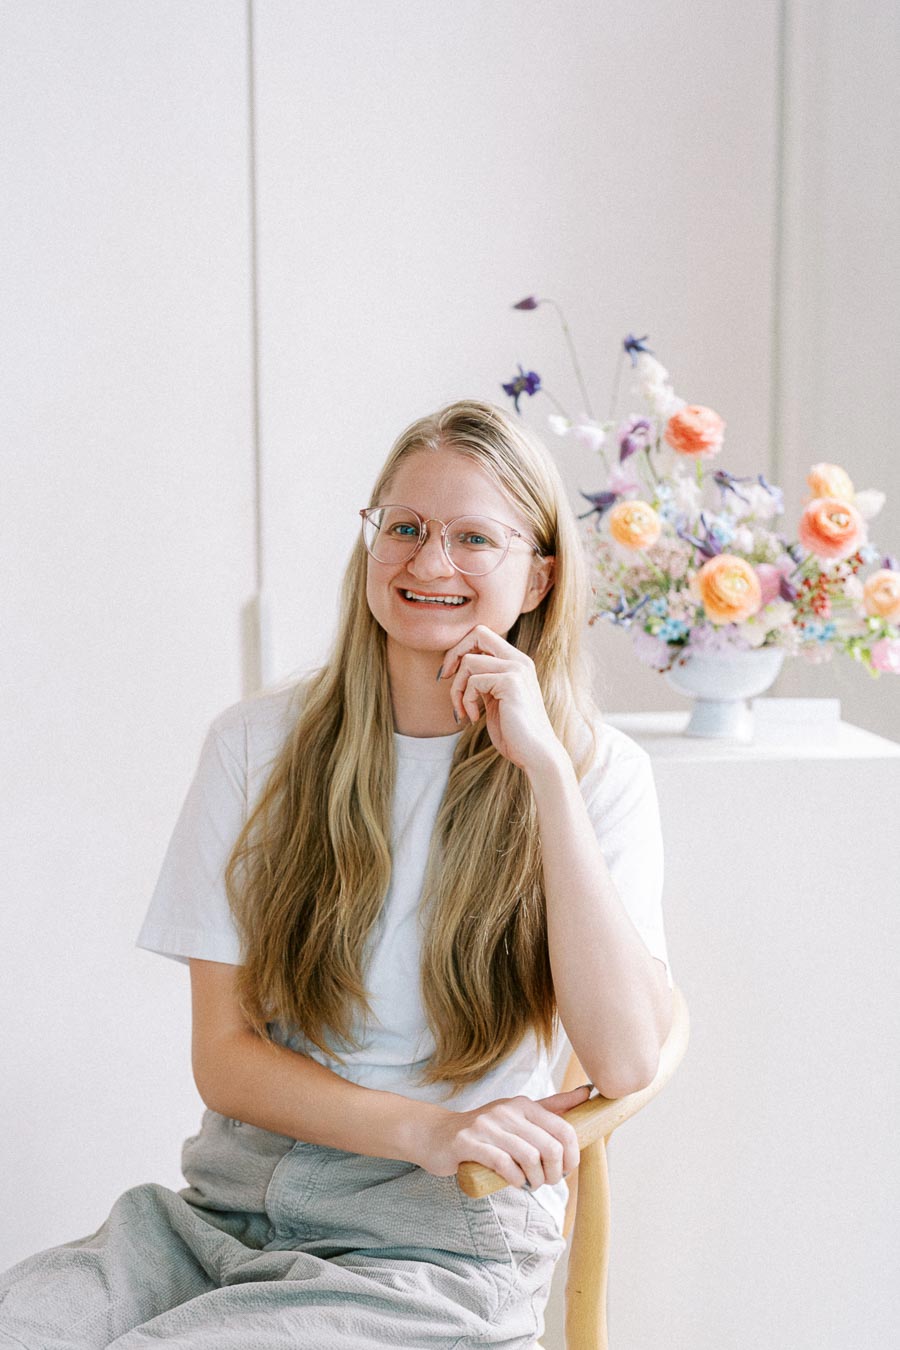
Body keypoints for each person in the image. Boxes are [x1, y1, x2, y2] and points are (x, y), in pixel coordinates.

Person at [0, 399, 673, 1349]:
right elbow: (224, 1058)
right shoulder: (256, 745)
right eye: (404, 527)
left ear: (539, 576)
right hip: (224, 1209)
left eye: (475, 537)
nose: (429, 563)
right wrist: (422, 1127)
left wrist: (549, 778)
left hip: (440, 1242)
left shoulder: (598, 774)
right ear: (371, 543)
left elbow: (626, 1059)